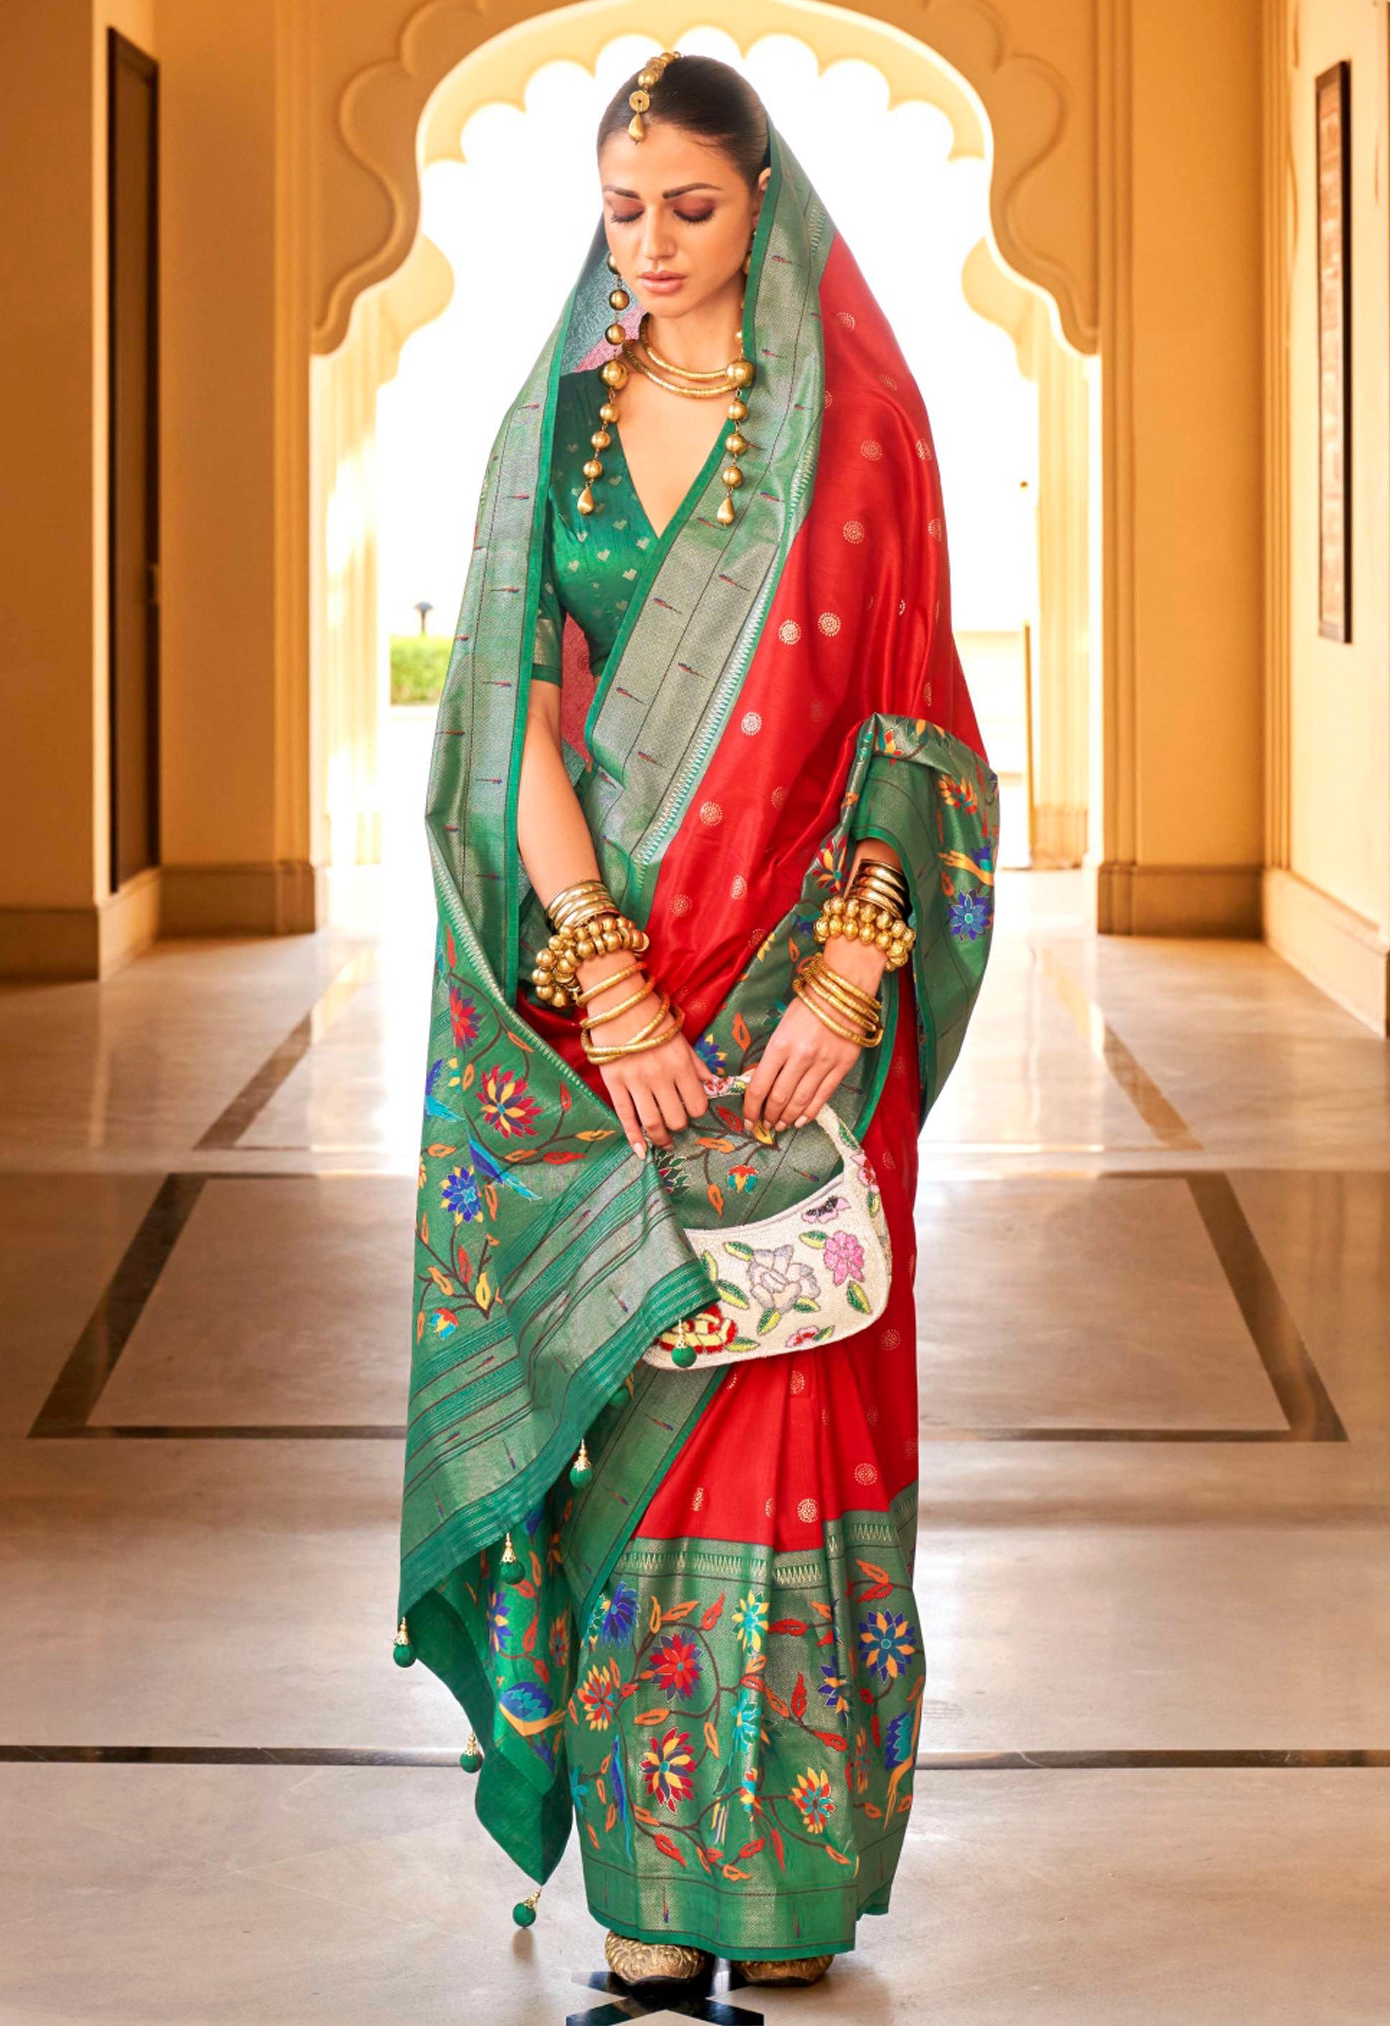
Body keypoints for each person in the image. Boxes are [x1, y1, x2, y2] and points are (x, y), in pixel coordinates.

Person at [393, 48, 999, 1992]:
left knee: (793, 1389)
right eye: (619, 208)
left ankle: (787, 1868)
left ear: (764, 203)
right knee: (643, 1430)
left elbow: (912, 722)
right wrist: (607, 976)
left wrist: (843, 977)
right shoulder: (553, 438)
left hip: (812, 1020)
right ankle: (661, 1907)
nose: (648, 247)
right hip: (616, 1029)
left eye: (689, 208)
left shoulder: (858, 433)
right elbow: (516, 731)